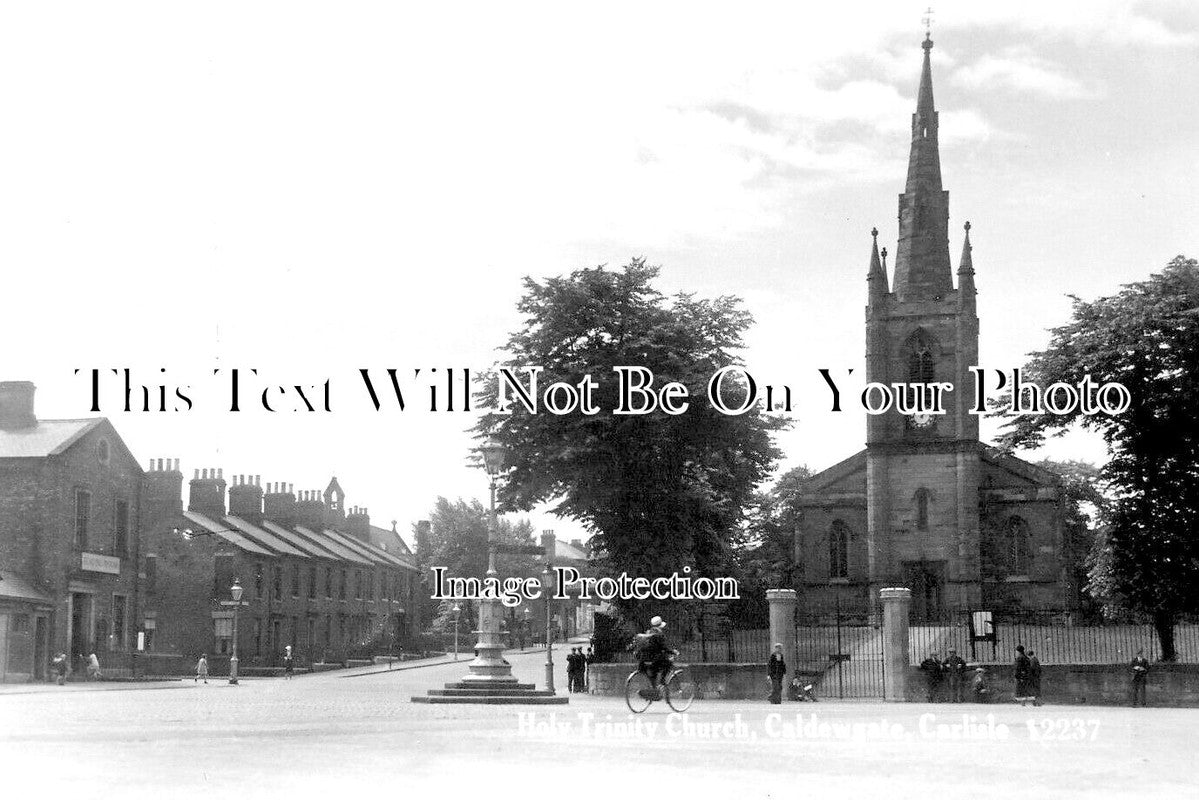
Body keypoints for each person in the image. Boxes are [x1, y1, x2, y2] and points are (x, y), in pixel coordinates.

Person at [635, 616, 677, 698]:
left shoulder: (648, 633)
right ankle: (662, 682)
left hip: (643, 660)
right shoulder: (659, 634)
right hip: (655, 660)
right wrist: (673, 652)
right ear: (660, 625)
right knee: (668, 664)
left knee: (653, 671)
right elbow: (664, 647)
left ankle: (654, 690)